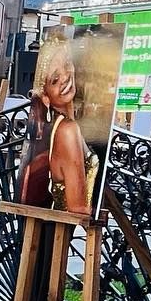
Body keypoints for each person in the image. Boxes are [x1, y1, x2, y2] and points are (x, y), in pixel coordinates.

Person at [23, 38, 98, 214]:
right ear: (45, 97)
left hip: (55, 228)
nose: (65, 77)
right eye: (55, 79)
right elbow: (78, 207)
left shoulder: (59, 126)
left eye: (66, 64)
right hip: (60, 229)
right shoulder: (67, 130)